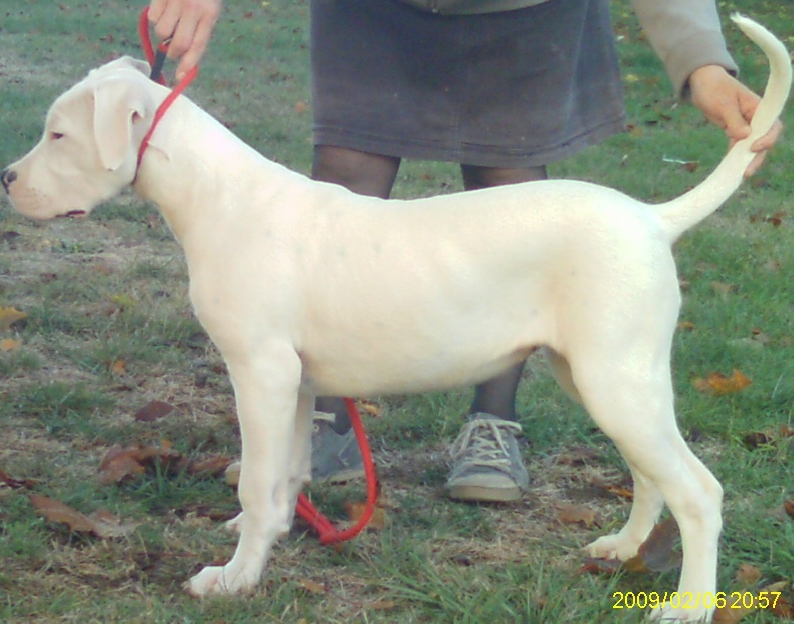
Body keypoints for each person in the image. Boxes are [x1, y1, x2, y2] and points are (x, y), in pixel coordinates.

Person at [149, 0, 783, 503]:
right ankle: (322, 417)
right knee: (344, 174)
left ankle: (493, 423)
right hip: (370, 11)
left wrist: (700, 59)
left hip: (520, 12)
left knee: (510, 193)